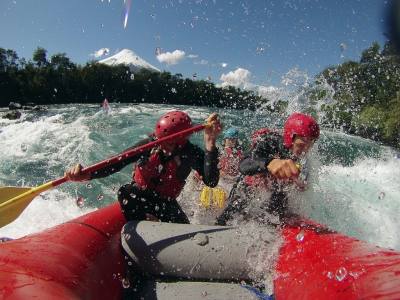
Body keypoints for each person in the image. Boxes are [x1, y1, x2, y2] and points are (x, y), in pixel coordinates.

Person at [65, 110, 222, 224]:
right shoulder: (150, 144)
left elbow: (211, 181)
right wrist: (87, 174)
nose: (161, 145)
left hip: (165, 202)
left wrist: (210, 143)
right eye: (160, 139)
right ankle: (143, 224)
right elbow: (117, 162)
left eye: (167, 142)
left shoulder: (190, 153)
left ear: (181, 142)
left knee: (185, 232)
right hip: (139, 196)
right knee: (126, 191)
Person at [216, 112, 320, 225]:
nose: (305, 150)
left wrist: (300, 184)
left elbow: (303, 184)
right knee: (232, 212)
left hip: (274, 189)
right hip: (249, 188)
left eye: (309, 146)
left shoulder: (303, 158)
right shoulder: (269, 142)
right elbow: (243, 165)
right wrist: (269, 163)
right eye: (300, 145)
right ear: (290, 138)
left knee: (280, 207)